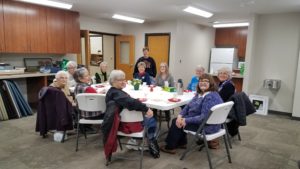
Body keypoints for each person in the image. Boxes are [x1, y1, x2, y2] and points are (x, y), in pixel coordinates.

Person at [160, 73, 223, 154]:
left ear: (210, 83)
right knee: (178, 119)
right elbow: (188, 105)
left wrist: (185, 120)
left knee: (175, 122)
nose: (202, 83)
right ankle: (182, 143)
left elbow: (203, 118)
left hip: (207, 127)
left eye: (206, 81)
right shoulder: (201, 93)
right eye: (200, 81)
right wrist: (180, 115)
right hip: (206, 122)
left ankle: (170, 147)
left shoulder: (210, 97)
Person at [105, 70, 159, 158]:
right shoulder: (116, 93)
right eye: (120, 80)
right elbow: (130, 102)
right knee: (152, 119)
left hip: (118, 122)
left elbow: (128, 101)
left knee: (144, 115)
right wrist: (146, 108)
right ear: (113, 81)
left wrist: (136, 102)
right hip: (125, 126)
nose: (124, 81)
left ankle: (137, 140)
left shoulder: (112, 92)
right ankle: (147, 141)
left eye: (124, 79)